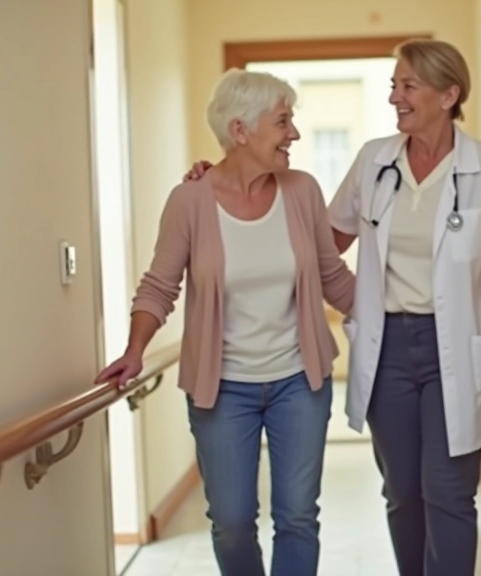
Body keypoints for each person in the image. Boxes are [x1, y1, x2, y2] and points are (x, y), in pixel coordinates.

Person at [183, 39, 481, 576]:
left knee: (447, 491)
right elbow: (321, 242)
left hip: (457, 349)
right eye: (393, 85)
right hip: (389, 347)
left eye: (408, 86)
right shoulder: (375, 161)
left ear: (449, 95)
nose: (395, 97)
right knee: (402, 492)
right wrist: (226, 180)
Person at [96, 68, 355, 576]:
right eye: (283, 122)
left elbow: (334, 277)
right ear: (241, 130)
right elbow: (159, 286)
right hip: (223, 389)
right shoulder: (189, 201)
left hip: (299, 381)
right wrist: (134, 350)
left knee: (298, 516)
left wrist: (403, 314)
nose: (295, 134)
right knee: (232, 521)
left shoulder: (302, 191)